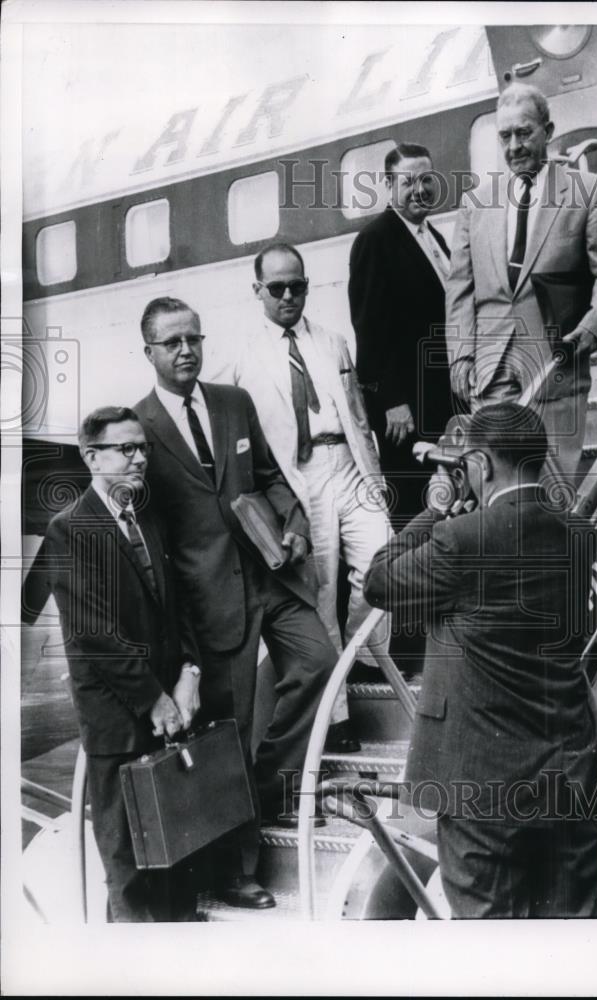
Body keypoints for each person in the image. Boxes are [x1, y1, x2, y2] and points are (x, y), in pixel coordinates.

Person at [364, 402, 597, 918]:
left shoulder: (462, 538)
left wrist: (437, 506)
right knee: (577, 939)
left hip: (482, 787)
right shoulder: (580, 534)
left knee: (489, 944)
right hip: (569, 774)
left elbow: (379, 579)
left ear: (482, 465)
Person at [134, 297, 337, 909]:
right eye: (172, 343)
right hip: (209, 601)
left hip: (271, 576)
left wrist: (294, 522)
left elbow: (271, 476)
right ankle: (235, 871)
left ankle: (265, 785)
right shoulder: (139, 428)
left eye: (194, 337)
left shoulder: (232, 402)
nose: (187, 350)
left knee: (319, 667)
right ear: (149, 353)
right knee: (227, 734)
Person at [209, 243, 393, 750]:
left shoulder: (332, 342)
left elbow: (355, 412)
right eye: (277, 288)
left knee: (387, 565)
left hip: (349, 469)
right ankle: (335, 718)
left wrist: (373, 472)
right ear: (257, 291)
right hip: (297, 480)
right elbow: (224, 425)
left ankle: (361, 659)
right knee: (319, 597)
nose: (289, 295)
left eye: (298, 286)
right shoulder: (240, 357)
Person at [44, 406, 200, 921]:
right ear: (91, 456)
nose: (139, 458)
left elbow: (180, 608)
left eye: (143, 448)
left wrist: (188, 675)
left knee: (175, 857)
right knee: (129, 869)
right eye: (125, 449)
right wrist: (154, 699)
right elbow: (96, 636)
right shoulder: (69, 530)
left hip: (169, 712)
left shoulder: (148, 518)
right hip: (118, 723)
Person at [446, 82, 597, 477]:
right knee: (496, 488)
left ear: (547, 131)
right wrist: (461, 355)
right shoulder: (475, 203)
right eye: (505, 136)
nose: (514, 146)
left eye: (524, 132)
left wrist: (589, 331)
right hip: (491, 372)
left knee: (553, 491)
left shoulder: (586, 191)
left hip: (556, 370)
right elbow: (459, 289)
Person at [349, 142, 454, 526]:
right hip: (405, 410)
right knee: (415, 505)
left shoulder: (433, 238)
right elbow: (369, 328)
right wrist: (392, 400)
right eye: (408, 182)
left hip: (439, 398)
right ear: (389, 186)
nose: (419, 190)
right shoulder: (375, 240)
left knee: (445, 497)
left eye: (426, 180)